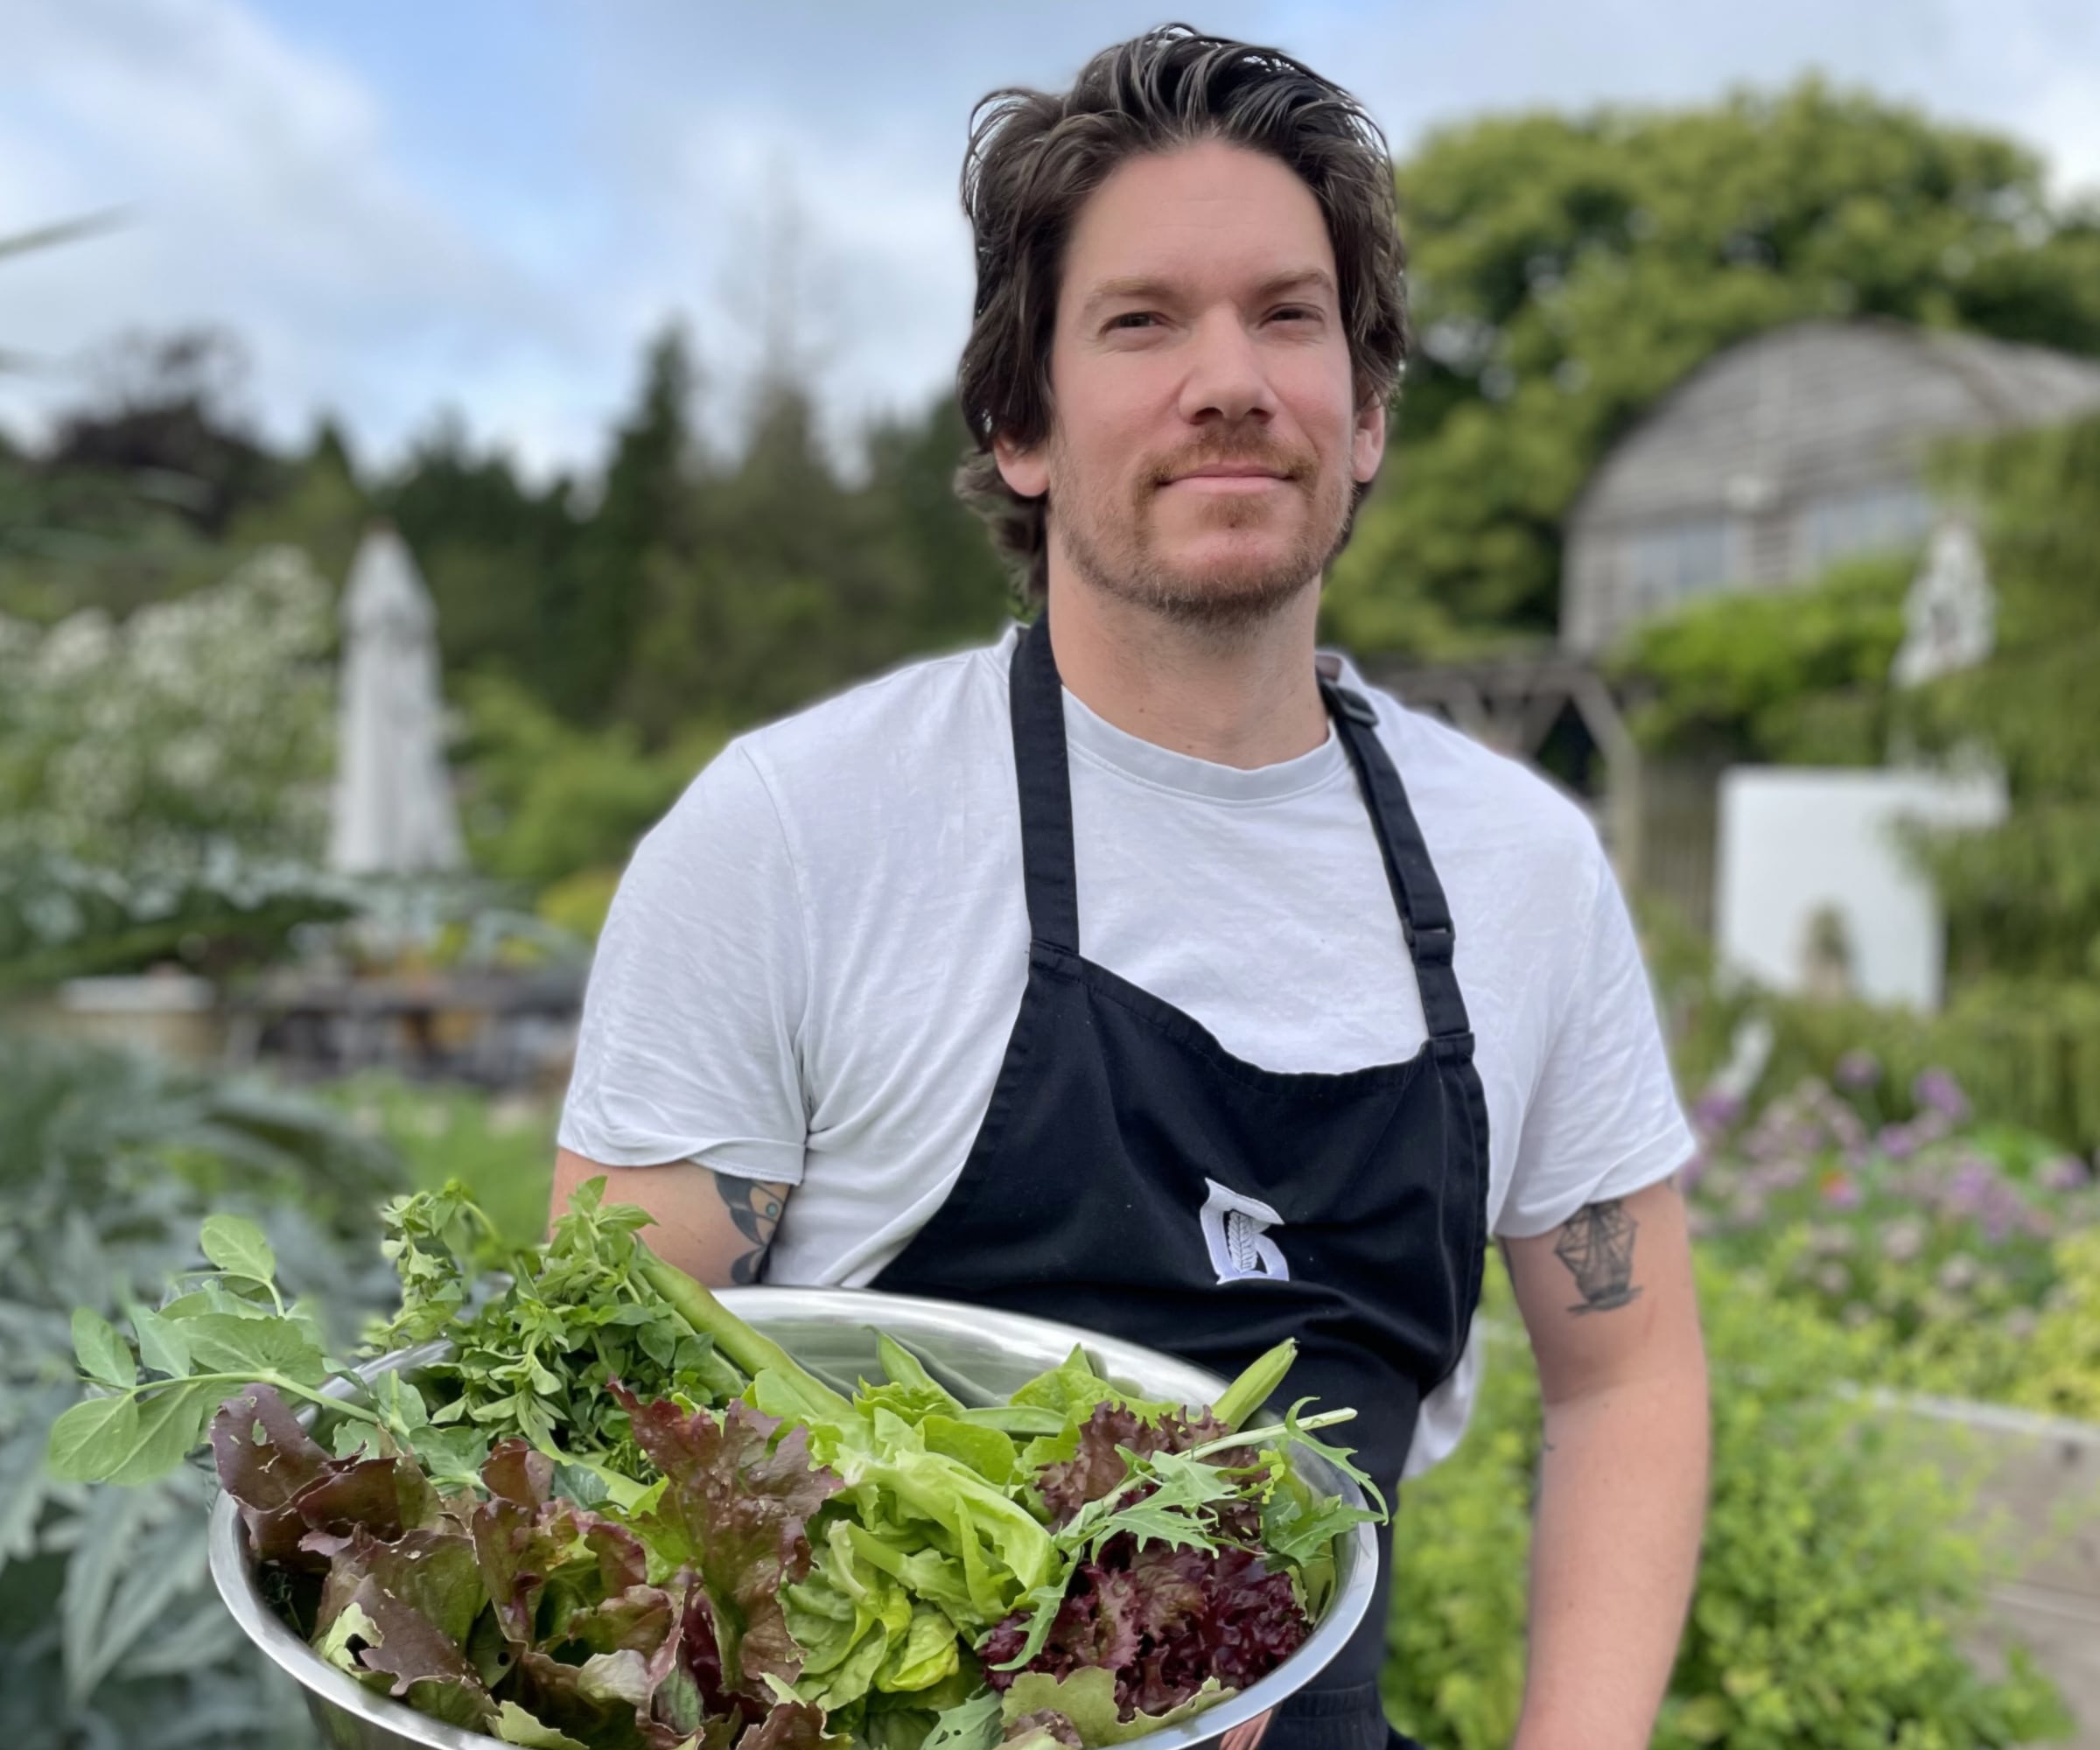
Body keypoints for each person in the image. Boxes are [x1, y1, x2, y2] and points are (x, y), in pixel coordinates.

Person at [555, 25, 1708, 1750]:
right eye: (1143, 319)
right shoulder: (801, 833)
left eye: (1289, 314)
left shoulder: (1522, 868)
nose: (1229, 378)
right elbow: (608, 1381)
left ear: (1369, 411)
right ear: (1020, 422)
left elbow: (1626, 1371)